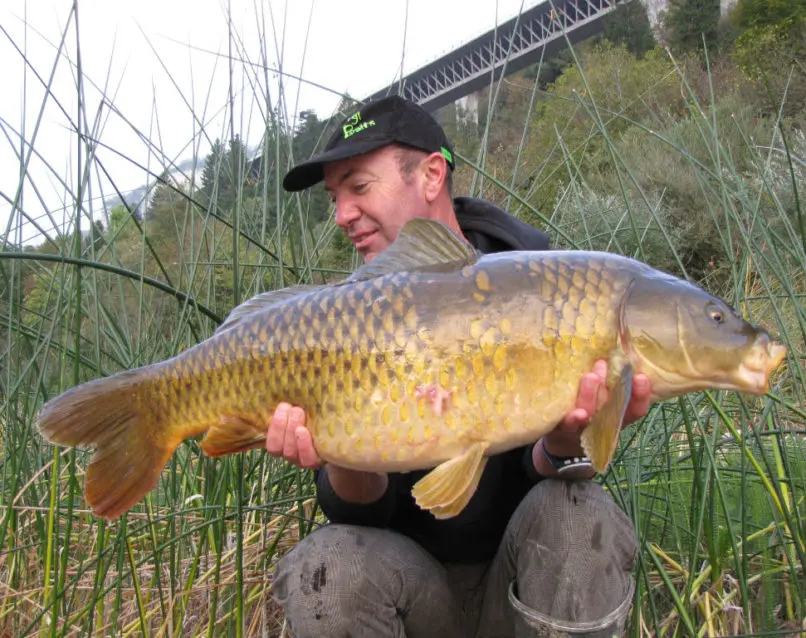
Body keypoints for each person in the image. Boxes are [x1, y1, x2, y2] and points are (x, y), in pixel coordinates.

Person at [267, 95, 651, 637]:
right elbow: (362, 516)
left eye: (357, 187)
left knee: (576, 514)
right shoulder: (346, 318)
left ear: (430, 174)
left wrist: (568, 442)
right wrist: (341, 452)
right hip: (413, 593)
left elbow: (547, 475)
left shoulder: (548, 288)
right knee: (330, 563)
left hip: (518, 580)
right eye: (335, 198)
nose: (341, 215)